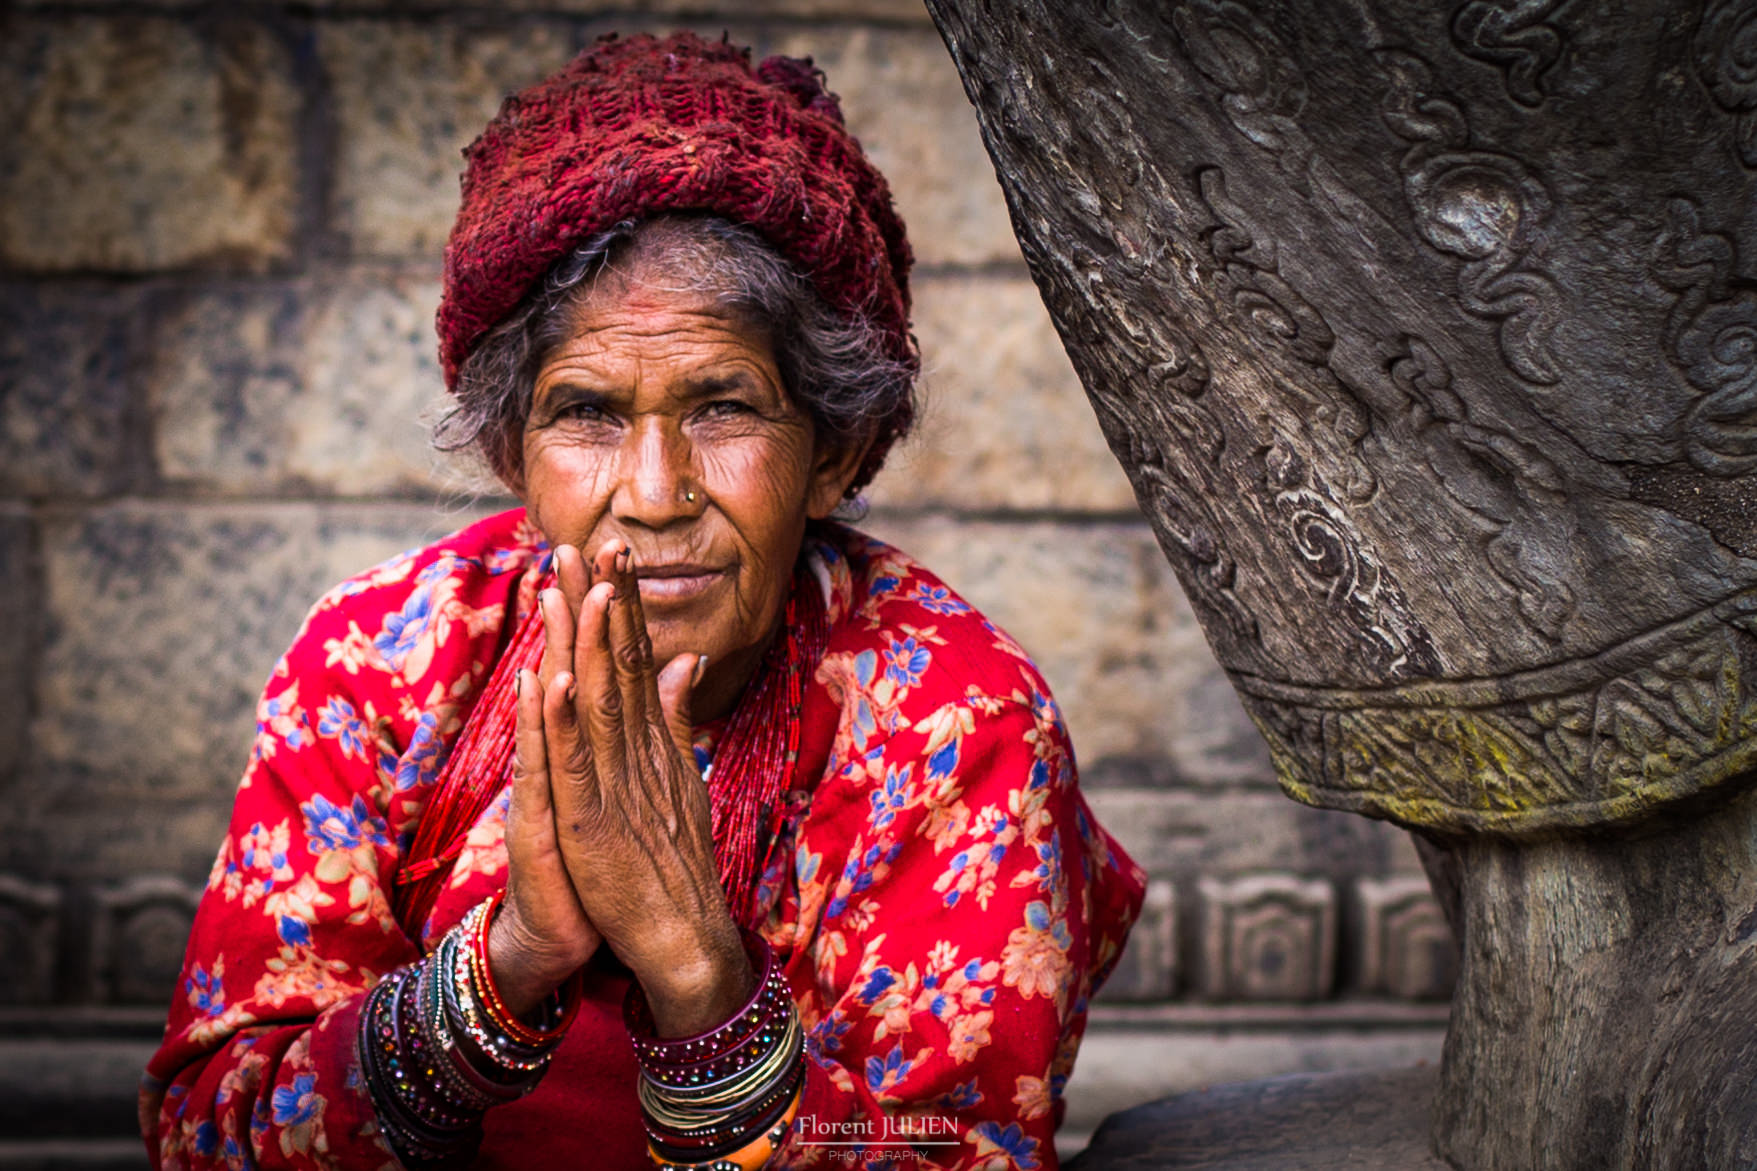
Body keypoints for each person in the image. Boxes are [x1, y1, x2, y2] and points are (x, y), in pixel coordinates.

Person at [141, 31, 1144, 1171]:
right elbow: (207, 1127)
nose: (655, 494)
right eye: (588, 415)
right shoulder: (383, 658)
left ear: (832, 451)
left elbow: (961, 1154)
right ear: (513, 455)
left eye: (723, 407)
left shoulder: (952, 720)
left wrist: (697, 974)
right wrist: (510, 961)